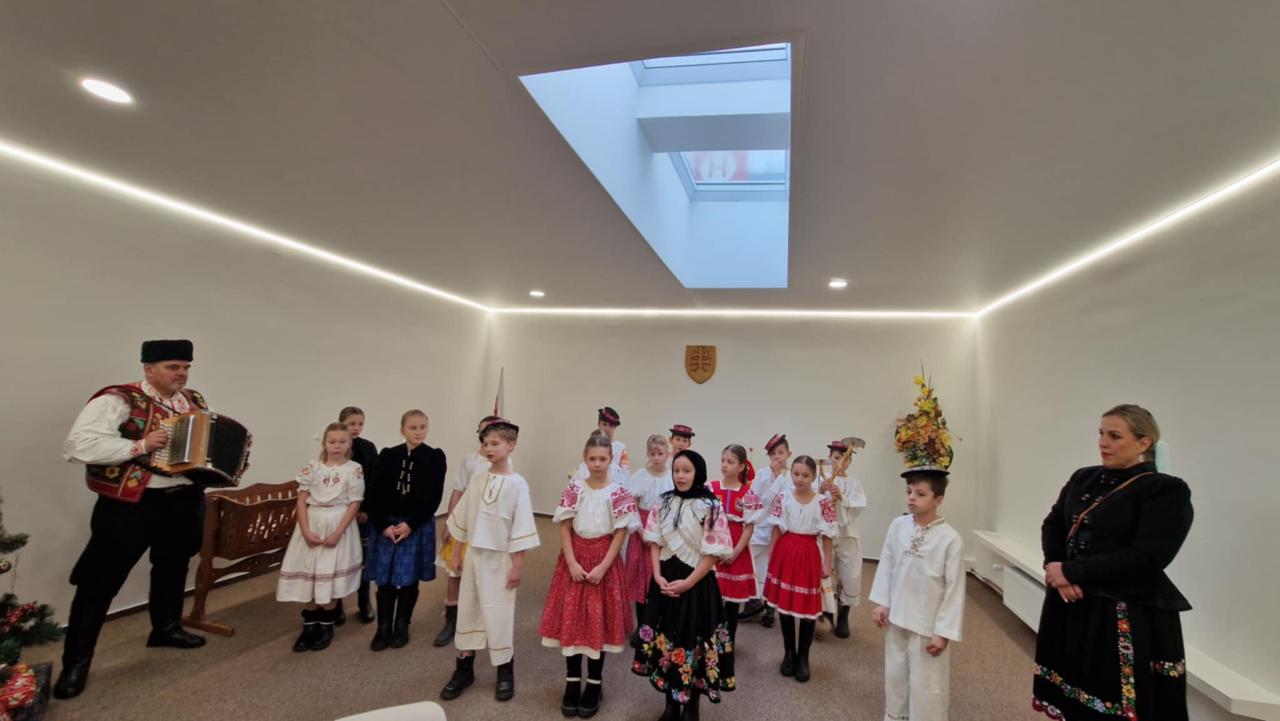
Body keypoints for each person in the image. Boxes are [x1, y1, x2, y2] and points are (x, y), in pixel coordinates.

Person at [55, 339, 211, 700]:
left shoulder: (194, 401)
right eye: (173, 367)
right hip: (130, 505)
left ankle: (165, 628)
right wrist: (138, 446)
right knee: (98, 582)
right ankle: (76, 662)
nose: (182, 373)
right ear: (148, 368)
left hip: (183, 500)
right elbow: (77, 446)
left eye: (186, 367)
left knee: (173, 566)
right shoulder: (119, 399)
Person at [1032, 404, 1193, 721]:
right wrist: (1056, 567)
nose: (1103, 443)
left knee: (1114, 701)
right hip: (1072, 603)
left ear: (1144, 442)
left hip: (1120, 611)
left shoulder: (1165, 490)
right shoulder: (1083, 478)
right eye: (1101, 434)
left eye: (1115, 436)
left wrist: (1071, 572)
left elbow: (1147, 557)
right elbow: (1053, 524)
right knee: (1072, 694)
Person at [539, 434, 639, 718]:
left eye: (602, 459)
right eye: (592, 459)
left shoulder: (618, 492)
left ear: (610, 460)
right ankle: (572, 682)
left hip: (603, 563)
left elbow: (620, 532)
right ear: (584, 458)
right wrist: (571, 562)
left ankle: (594, 683)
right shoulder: (575, 488)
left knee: (598, 623)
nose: (597, 464)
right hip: (575, 561)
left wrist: (604, 566)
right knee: (572, 620)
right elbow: (564, 526)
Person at [441, 419, 540, 703]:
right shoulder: (477, 479)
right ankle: (464, 667)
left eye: (495, 443)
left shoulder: (518, 484)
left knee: (498, 613)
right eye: (485, 444)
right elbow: (463, 518)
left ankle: (505, 669)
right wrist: (457, 553)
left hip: (500, 560)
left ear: (511, 445)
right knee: (468, 609)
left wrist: (517, 566)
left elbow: (521, 527)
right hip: (474, 556)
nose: (488, 448)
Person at [632, 450, 735, 721]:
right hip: (665, 581)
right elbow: (654, 542)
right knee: (667, 640)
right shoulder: (663, 501)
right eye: (677, 470)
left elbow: (712, 554)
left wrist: (687, 583)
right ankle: (671, 704)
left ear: (698, 472)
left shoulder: (710, 505)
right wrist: (657, 575)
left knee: (693, 642)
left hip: (696, 583)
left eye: (687, 471)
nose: (680, 476)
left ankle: (692, 705)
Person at [869, 467, 965, 721]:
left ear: (938, 499)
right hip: (897, 617)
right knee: (895, 675)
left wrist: (943, 632)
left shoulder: (950, 539)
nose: (912, 497)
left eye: (920, 494)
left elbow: (954, 589)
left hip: (927, 625)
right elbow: (888, 563)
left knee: (927, 685)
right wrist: (883, 602)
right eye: (909, 491)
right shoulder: (898, 526)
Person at [277, 423, 364, 651]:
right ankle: (309, 625)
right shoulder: (313, 467)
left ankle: (326, 625)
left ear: (349, 443)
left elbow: (355, 503)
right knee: (311, 573)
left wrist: (338, 532)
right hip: (312, 522)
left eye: (342, 442)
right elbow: (301, 500)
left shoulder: (353, 469)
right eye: (332, 442)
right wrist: (305, 530)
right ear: (324, 443)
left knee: (330, 573)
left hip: (338, 524)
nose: (337, 446)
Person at [364, 410, 446, 651]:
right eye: (413, 427)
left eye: (422, 427)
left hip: (414, 525)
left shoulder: (434, 457)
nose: (418, 432)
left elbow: (434, 497)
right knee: (385, 577)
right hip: (387, 524)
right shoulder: (388, 455)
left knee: (409, 576)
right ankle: (383, 627)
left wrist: (412, 524)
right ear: (402, 430)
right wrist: (382, 525)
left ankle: (402, 624)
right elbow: (374, 492)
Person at [762, 455, 837, 682]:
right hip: (786, 552)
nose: (800, 479)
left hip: (809, 555)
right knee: (785, 607)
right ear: (791, 473)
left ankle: (803, 656)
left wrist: (827, 562)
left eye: (805, 475)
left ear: (813, 476)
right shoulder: (783, 498)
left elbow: (828, 536)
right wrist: (772, 555)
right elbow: (776, 529)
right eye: (796, 474)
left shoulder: (823, 502)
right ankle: (789, 653)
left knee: (807, 609)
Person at [434, 415, 504, 646]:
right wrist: (450, 522)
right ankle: (451, 621)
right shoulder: (471, 460)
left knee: (485, 574)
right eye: (484, 433)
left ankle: (481, 619)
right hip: (466, 524)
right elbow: (458, 491)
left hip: (488, 529)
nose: (487, 439)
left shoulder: (503, 463)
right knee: (455, 572)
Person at [709, 444, 763, 680]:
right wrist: (713, 548)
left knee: (731, 606)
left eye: (730, 462)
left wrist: (735, 551)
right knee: (712, 601)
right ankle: (710, 644)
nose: (724, 465)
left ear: (741, 466)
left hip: (736, 551)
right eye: (723, 460)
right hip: (713, 549)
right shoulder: (710, 488)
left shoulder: (748, 494)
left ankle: (727, 647)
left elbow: (749, 527)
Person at [623, 434, 674, 644]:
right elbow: (630, 506)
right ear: (647, 454)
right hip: (642, 533)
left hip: (663, 534)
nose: (656, 458)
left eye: (660, 454)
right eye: (652, 454)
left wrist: (662, 534)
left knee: (659, 580)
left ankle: (657, 626)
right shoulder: (640, 476)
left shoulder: (672, 477)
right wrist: (640, 530)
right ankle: (642, 626)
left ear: (667, 454)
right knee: (640, 582)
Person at [820, 437, 868, 638]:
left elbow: (859, 506)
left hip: (847, 535)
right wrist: (821, 491)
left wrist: (842, 498)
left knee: (849, 573)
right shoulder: (820, 479)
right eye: (837, 457)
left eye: (845, 458)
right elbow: (810, 501)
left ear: (849, 461)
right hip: (826, 535)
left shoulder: (854, 483)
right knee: (825, 572)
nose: (840, 462)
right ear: (830, 458)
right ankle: (826, 614)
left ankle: (843, 615)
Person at [744, 433, 791, 627]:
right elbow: (757, 500)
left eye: (780, 452)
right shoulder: (763, 474)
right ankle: (753, 602)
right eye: (773, 454)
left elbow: (787, 502)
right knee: (753, 563)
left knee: (774, 566)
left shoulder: (792, 476)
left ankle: (770, 608)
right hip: (760, 525)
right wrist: (775, 479)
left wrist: (780, 478)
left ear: (788, 454)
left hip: (779, 529)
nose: (777, 457)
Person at [340, 406, 379, 624]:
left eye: (360, 424)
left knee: (362, 558)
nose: (356, 428)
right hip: (339, 514)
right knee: (339, 559)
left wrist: (365, 510)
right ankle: (336, 604)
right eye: (351, 424)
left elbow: (373, 481)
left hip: (362, 513)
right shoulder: (335, 447)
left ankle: (363, 601)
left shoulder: (368, 447)